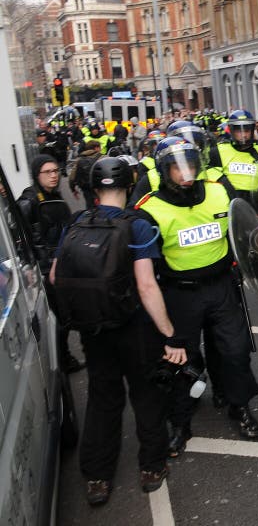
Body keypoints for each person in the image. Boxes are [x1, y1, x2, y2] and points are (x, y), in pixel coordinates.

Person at [50, 157, 187, 505]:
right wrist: (170, 333)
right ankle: (151, 468)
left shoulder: (77, 222)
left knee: (102, 398)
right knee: (146, 396)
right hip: (135, 328)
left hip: (94, 329)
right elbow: (146, 286)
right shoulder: (138, 225)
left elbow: (55, 276)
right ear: (128, 185)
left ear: (94, 190)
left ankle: (97, 477)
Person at [135, 137, 258, 455]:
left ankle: (239, 405)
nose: (185, 172)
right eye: (176, 167)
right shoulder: (150, 209)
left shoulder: (219, 192)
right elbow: (148, 263)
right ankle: (180, 422)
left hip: (220, 287)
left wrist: (247, 269)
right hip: (180, 293)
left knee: (235, 350)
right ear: (165, 171)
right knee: (180, 359)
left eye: (190, 164)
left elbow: (244, 230)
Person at [18, 154, 84, 374]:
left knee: (64, 318)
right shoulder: (29, 201)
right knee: (57, 320)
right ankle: (62, 361)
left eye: (56, 171)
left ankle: (63, 358)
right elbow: (18, 236)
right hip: (43, 272)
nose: (54, 176)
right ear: (37, 175)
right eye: (48, 172)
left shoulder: (55, 197)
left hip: (60, 268)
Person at [69, 139, 103, 209]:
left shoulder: (80, 159)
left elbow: (72, 177)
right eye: (100, 147)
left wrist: (73, 189)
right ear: (96, 148)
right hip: (101, 189)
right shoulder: (103, 158)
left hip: (87, 189)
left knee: (90, 206)